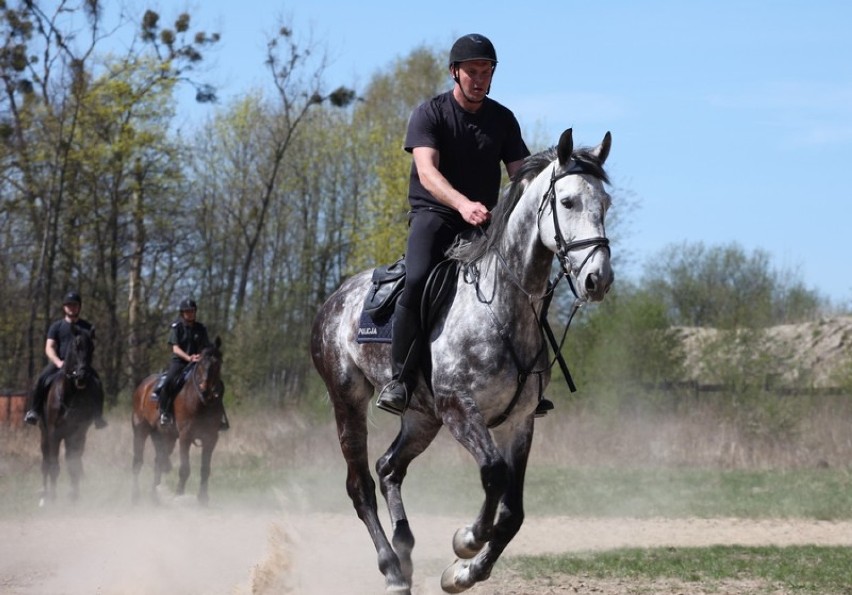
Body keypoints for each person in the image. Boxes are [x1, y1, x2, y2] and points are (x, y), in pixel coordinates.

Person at [375, 33, 558, 416]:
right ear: (454, 73)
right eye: (472, 71)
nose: (479, 79)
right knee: (418, 276)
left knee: (527, 285)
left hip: (485, 223)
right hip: (436, 217)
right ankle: (400, 379)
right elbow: (426, 172)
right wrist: (461, 204)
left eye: (486, 71)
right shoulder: (430, 114)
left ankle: (529, 380)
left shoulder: (502, 120)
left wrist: (554, 176)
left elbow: (520, 175)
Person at [24, 291, 108, 428]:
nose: (72, 308)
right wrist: (58, 362)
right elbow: (49, 347)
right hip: (60, 363)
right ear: (64, 307)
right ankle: (34, 411)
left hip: (81, 365)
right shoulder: (56, 327)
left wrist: (85, 363)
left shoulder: (87, 327)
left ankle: (98, 416)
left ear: (79, 307)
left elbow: (90, 347)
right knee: (41, 379)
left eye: (74, 305)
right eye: (69, 305)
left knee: (97, 383)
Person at [152, 298, 229, 430]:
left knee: (217, 384)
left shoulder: (201, 328)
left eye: (192, 311)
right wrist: (188, 357)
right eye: (187, 311)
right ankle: (165, 413)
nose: (190, 313)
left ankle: (219, 418)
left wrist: (205, 355)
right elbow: (175, 348)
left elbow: (206, 346)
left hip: (198, 362)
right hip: (180, 362)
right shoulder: (177, 327)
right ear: (182, 313)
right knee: (169, 381)